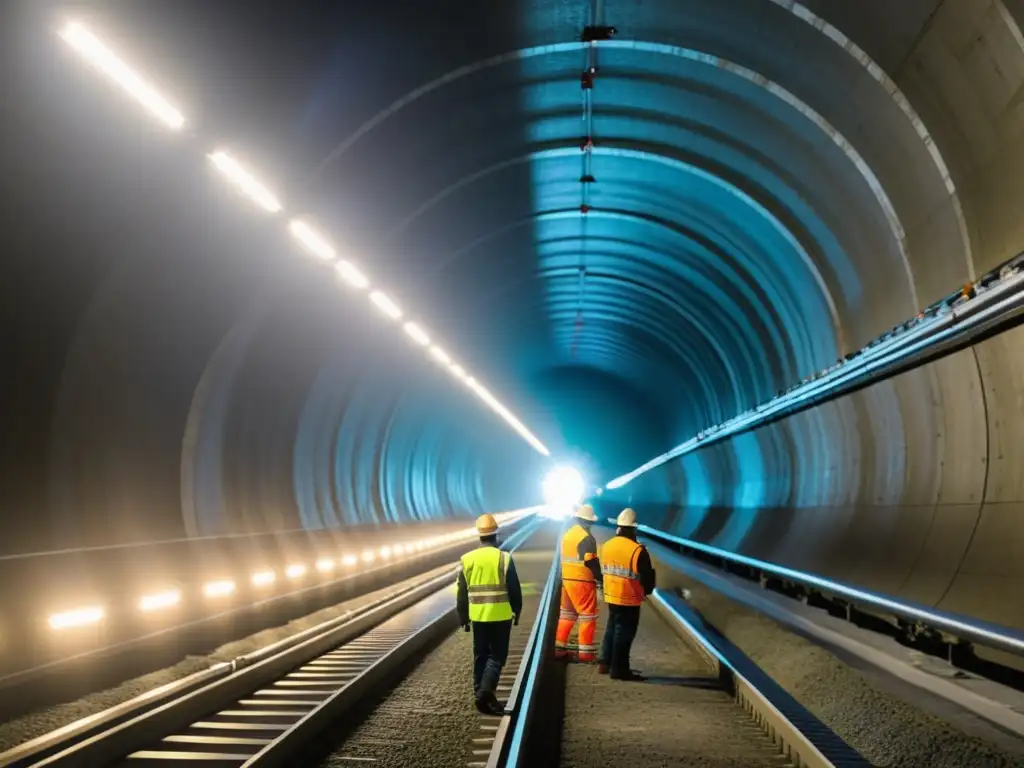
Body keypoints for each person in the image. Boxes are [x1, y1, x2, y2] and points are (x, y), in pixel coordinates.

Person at [456, 513, 523, 714]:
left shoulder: (467, 559)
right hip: (500, 615)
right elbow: (514, 588)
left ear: (479, 535)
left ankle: (481, 694)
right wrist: (517, 610)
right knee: (497, 656)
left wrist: (463, 617)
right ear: (496, 535)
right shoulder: (504, 558)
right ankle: (484, 692)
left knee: (480, 655)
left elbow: (462, 592)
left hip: (478, 616)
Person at [598, 508, 656, 681]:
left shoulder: (606, 545)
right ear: (633, 529)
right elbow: (647, 577)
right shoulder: (638, 550)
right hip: (629, 597)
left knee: (611, 627)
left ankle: (604, 662)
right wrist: (646, 591)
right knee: (624, 634)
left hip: (611, 594)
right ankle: (619, 669)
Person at [554, 503, 601, 662]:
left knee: (567, 615)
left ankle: (559, 649)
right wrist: (601, 578)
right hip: (582, 580)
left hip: (567, 579)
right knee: (588, 616)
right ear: (589, 522)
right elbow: (590, 561)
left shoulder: (568, 534)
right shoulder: (587, 538)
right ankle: (585, 654)